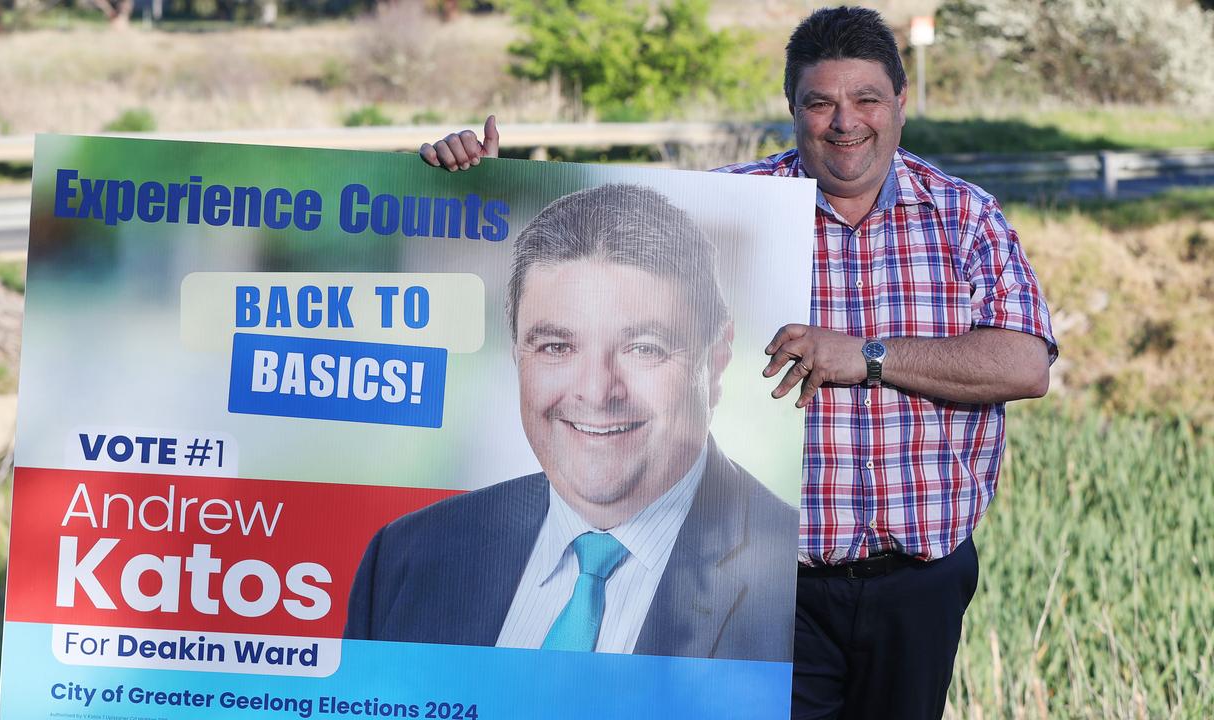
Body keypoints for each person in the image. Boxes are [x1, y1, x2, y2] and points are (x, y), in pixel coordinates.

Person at [415, 6, 1057, 718]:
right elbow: (587, 240)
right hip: (762, 587)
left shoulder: (965, 218)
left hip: (919, 580)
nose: (845, 122)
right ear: (793, 110)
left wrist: (867, 357)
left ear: (901, 104)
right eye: (820, 103)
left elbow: (1025, 363)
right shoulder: (729, 204)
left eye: (866, 99)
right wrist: (472, 185)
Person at [344, 183, 800, 663]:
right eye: (557, 347)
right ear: (516, 352)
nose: (597, 391)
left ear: (717, 359)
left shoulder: (803, 582)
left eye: (643, 348)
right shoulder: (404, 560)